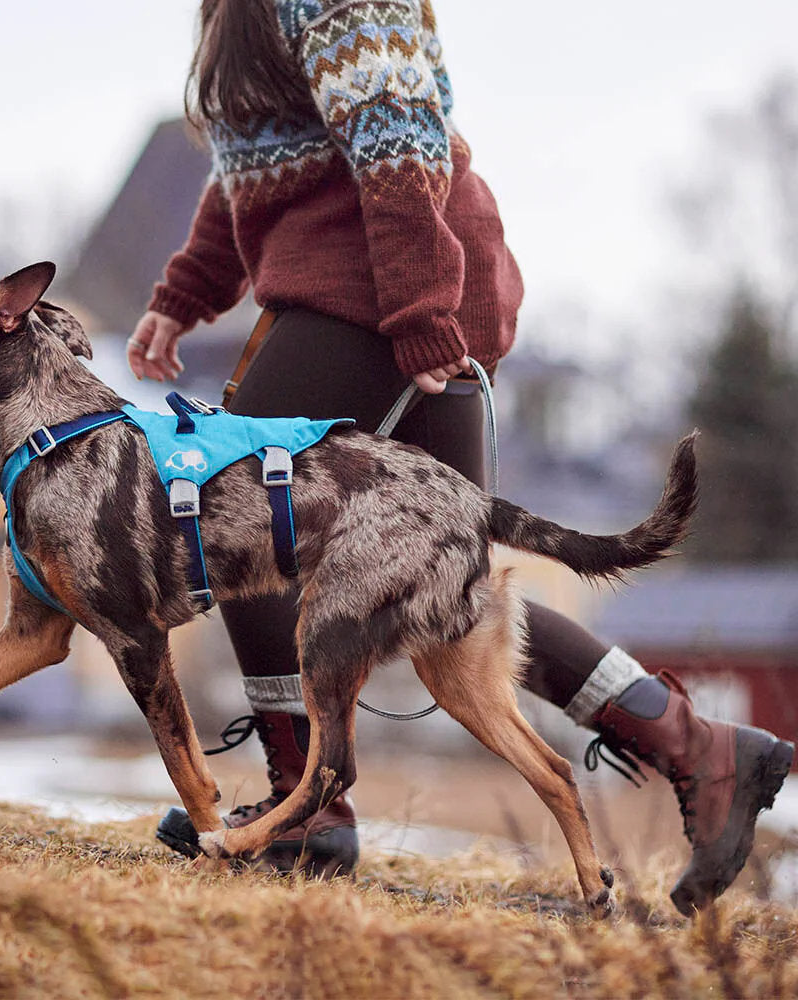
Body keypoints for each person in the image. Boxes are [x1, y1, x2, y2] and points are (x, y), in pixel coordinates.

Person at [126, 0, 793, 913]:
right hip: (381, 287)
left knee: (234, 504)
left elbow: (397, 145)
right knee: (457, 601)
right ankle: (699, 748)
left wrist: (419, 314)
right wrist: (187, 292)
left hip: (389, 292)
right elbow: (262, 160)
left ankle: (304, 806)